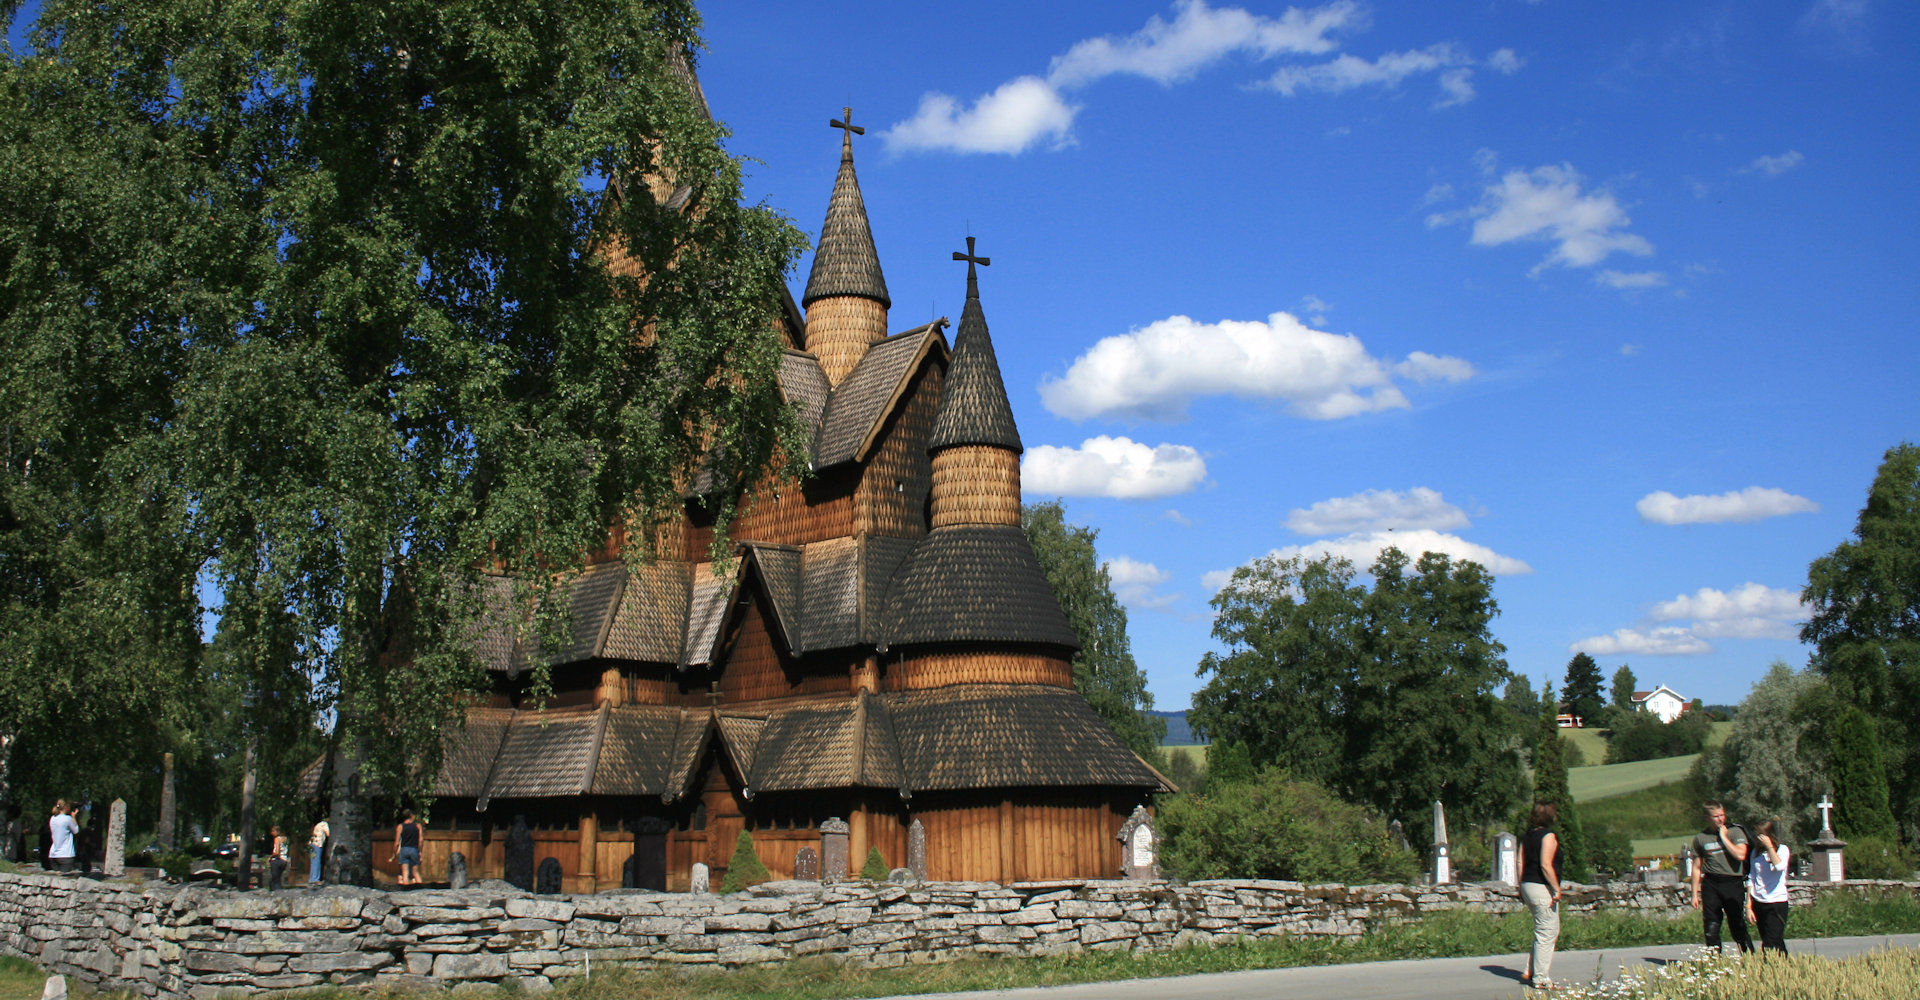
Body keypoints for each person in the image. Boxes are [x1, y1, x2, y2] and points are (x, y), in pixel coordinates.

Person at [1690, 800, 1754, 954]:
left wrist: (1724, 837)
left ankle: (1749, 956)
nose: (1720, 819)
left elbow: (1741, 855)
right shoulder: (1701, 838)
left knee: (1736, 923)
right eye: (1716, 816)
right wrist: (1694, 894)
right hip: (1711, 882)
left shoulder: (1735, 832)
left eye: (1722, 815)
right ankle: (1714, 959)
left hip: (1732, 881)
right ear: (1707, 817)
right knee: (1711, 924)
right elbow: (1697, 867)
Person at [1519, 802, 1564, 990]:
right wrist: (1556, 888)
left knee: (1541, 929)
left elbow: (1520, 863)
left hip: (1527, 884)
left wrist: (1520, 887)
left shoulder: (1527, 837)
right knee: (1548, 931)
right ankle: (1541, 978)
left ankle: (1530, 970)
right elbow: (1546, 865)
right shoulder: (1548, 836)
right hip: (1541, 887)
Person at [1744, 819, 1791, 954]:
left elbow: (1779, 866)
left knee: (1770, 943)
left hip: (1776, 902)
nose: (1759, 838)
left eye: (1762, 835)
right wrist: (1748, 906)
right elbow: (1752, 878)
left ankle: (1769, 963)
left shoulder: (1782, 850)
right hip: (1759, 902)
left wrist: (1770, 847)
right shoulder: (1755, 853)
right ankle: (1783, 964)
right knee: (1773, 940)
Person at [392, 809, 422, 887]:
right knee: (415, 872)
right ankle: (421, 889)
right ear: (411, 816)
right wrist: (420, 851)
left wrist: (394, 853)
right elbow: (420, 840)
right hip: (414, 849)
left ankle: (406, 890)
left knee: (405, 873)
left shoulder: (400, 826)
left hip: (404, 849)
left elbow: (397, 842)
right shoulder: (417, 826)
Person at [47, 800, 79, 873]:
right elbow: (76, 831)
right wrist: (73, 817)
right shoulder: (67, 819)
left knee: (56, 877)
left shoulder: (52, 818)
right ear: (66, 807)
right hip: (65, 854)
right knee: (65, 876)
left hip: (53, 854)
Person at [308, 817, 330, 886]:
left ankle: (312, 878)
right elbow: (328, 834)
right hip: (318, 845)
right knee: (317, 861)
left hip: (312, 845)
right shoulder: (324, 824)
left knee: (313, 861)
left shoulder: (318, 825)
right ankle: (315, 879)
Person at [268, 826, 290, 891]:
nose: (271, 833)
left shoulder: (277, 839)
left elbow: (277, 852)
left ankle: (276, 892)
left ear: (277, 832)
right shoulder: (286, 839)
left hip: (277, 860)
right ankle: (278, 890)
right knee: (278, 878)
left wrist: (270, 857)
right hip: (284, 860)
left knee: (275, 880)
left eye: (273, 831)